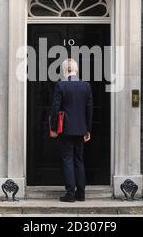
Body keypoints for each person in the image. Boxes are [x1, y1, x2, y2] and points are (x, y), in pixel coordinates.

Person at [49, 58, 93, 202]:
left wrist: (54, 128)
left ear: (64, 70)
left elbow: (55, 109)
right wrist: (88, 130)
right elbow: (89, 110)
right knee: (79, 160)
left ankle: (70, 194)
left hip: (66, 129)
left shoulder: (61, 86)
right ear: (76, 69)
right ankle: (81, 194)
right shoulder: (86, 86)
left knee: (68, 160)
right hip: (81, 129)